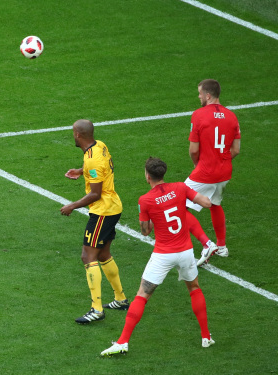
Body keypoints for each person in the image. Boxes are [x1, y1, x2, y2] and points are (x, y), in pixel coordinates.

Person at [101, 157, 215, 357]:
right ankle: (206, 337)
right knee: (194, 288)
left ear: (147, 175)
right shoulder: (180, 187)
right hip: (186, 252)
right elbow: (206, 203)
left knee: (142, 296)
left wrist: (154, 217)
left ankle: (122, 342)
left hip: (163, 254)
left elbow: (145, 232)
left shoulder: (145, 200)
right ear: (163, 173)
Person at [60, 119, 128, 324]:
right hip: (112, 207)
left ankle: (96, 309)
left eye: (73, 132)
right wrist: (81, 172)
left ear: (78, 135)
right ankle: (120, 298)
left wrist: (72, 205)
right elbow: (99, 169)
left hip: (102, 212)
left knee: (87, 256)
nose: (73, 135)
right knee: (104, 253)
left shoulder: (92, 160)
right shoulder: (100, 145)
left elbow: (95, 194)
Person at [185, 79, 241, 265]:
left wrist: (198, 165)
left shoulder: (198, 115)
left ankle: (207, 244)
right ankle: (222, 247)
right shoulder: (232, 117)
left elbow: (193, 150)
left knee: (177, 205)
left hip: (205, 172)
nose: (199, 96)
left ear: (208, 95)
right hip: (224, 172)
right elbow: (236, 149)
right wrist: (221, 160)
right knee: (215, 204)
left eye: (200, 93)